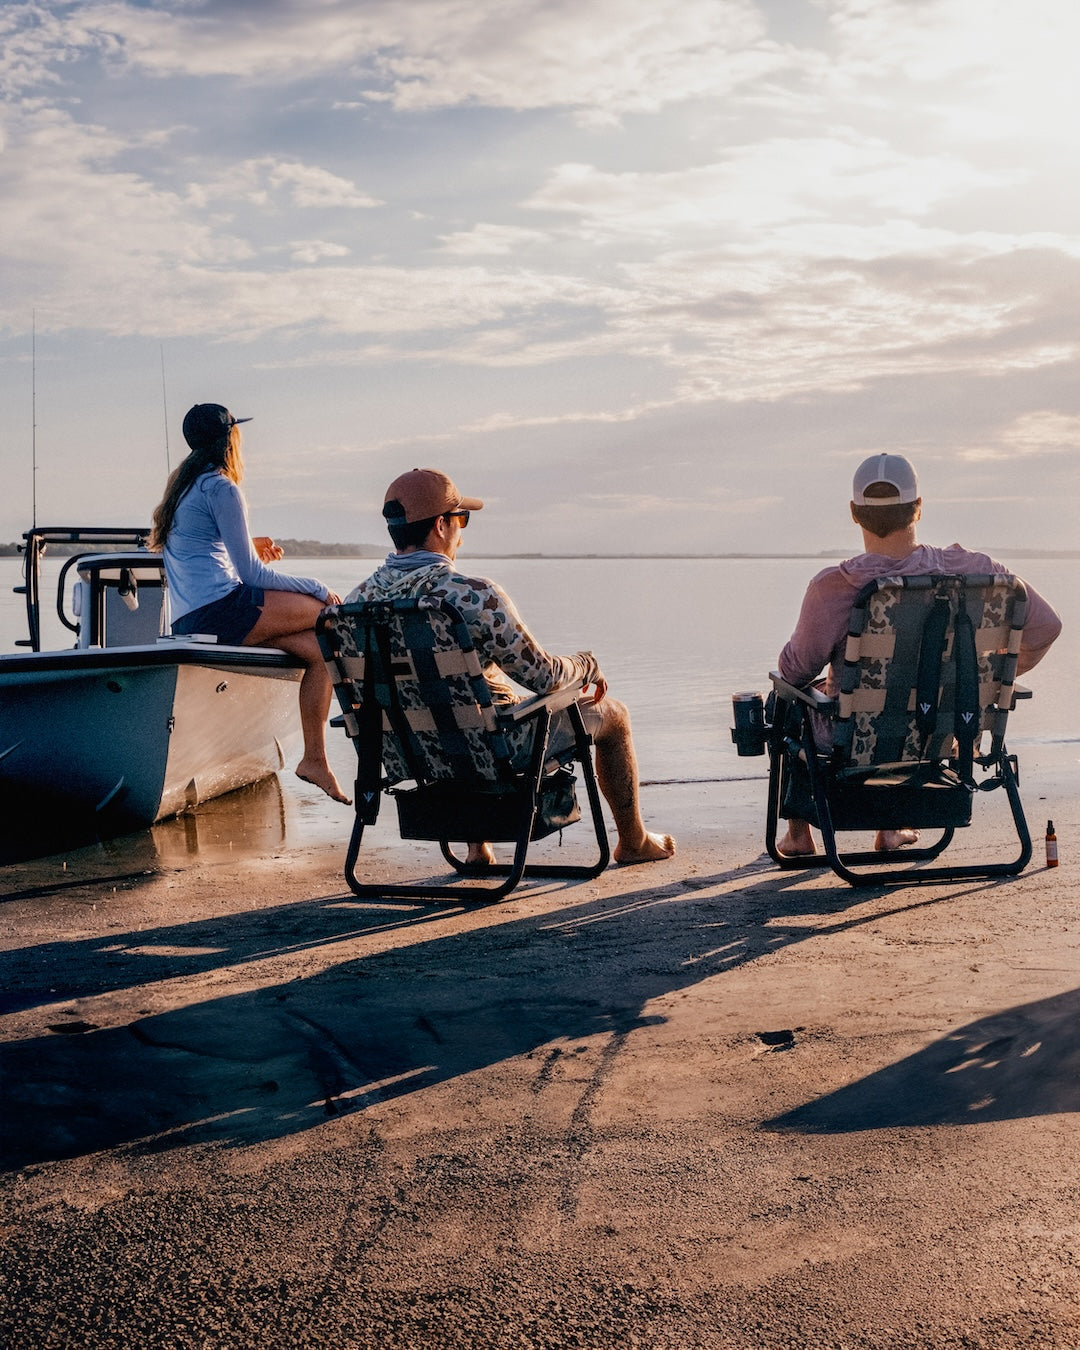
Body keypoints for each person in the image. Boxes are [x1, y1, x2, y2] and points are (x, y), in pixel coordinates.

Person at [346, 467, 676, 866]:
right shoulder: (472, 597)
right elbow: (545, 677)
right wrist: (587, 664)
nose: (463, 531)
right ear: (440, 525)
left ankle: (477, 847)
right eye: (461, 519)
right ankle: (634, 841)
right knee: (614, 715)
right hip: (493, 752)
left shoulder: (352, 607)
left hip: (405, 755)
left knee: (469, 689)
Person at [776, 452, 1062, 857]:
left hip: (860, 738)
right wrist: (992, 683)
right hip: (949, 727)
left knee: (788, 701)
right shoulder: (978, 571)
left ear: (854, 514)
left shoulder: (834, 587)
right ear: (919, 508)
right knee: (908, 696)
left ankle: (799, 835)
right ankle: (892, 829)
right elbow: (1048, 627)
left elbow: (794, 670)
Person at [149, 402, 349, 805]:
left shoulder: (182, 485)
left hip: (193, 617)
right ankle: (362, 720)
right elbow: (253, 576)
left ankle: (315, 759)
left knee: (319, 650)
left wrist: (249, 546)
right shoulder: (221, 486)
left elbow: (198, 547)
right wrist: (315, 586)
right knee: (332, 617)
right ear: (230, 439)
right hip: (224, 610)